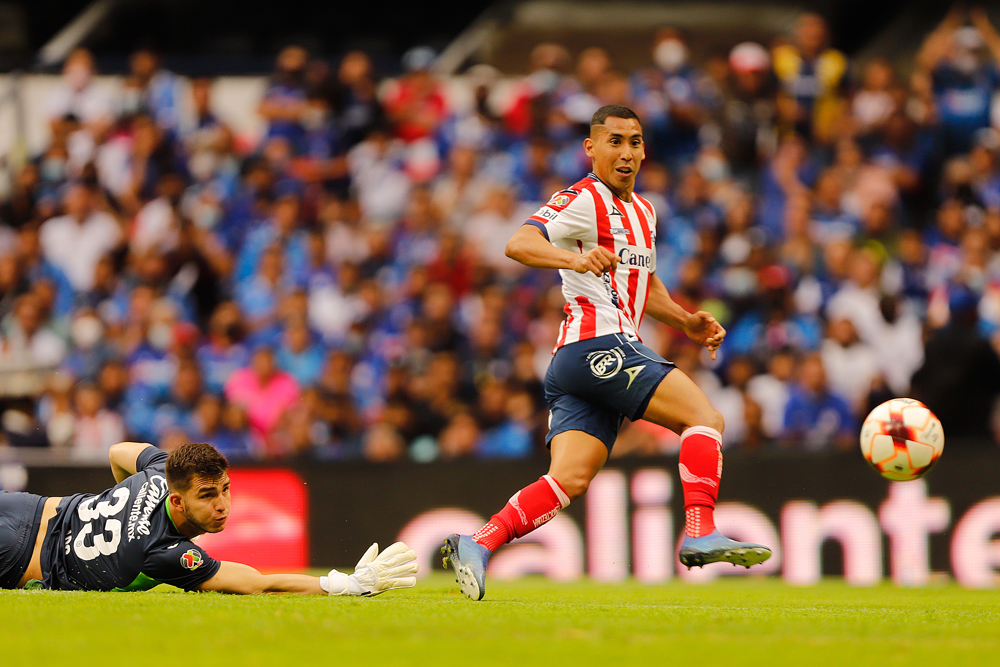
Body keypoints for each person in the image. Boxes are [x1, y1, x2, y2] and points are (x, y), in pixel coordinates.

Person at [441, 104, 771, 601]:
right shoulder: (581, 198)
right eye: (614, 141)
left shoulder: (645, 211)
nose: (626, 152)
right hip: (600, 345)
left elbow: (644, 282)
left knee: (568, 479)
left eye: (635, 142)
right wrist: (574, 257)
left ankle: (478, 542)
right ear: (591, 148)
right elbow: (518, 243)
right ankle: (700, 529)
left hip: (579, 362)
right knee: (704, 418)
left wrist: (686, 321)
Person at [0, 441, 417, 595]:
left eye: (225, 489)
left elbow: (117, 453)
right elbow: (257, 584)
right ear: (178, 501)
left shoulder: (160, 468)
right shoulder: (167, 553)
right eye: (207, 495)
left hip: (29, 507)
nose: (222, 505)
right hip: (19, 556)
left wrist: (114, 498)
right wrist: (344, 584)